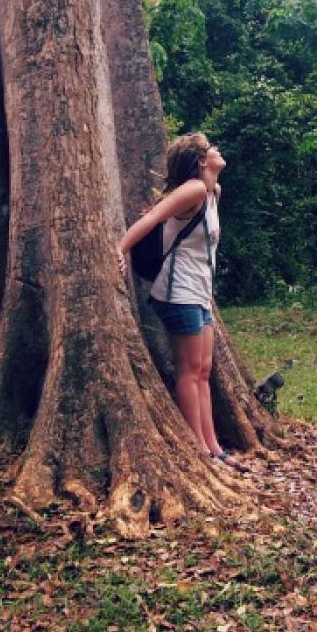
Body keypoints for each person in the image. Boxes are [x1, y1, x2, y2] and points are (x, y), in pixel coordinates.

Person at [117, 133, 248, 472]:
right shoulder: (193, 190)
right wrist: (120, 249)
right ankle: (198, 450)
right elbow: (151, 219)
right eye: (210, 149)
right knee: (190, 372)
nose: (217, 150)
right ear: (201, 161)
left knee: (203, 371)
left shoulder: (212, 193)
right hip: (178, 294)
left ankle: (215, 448)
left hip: (200, 294)